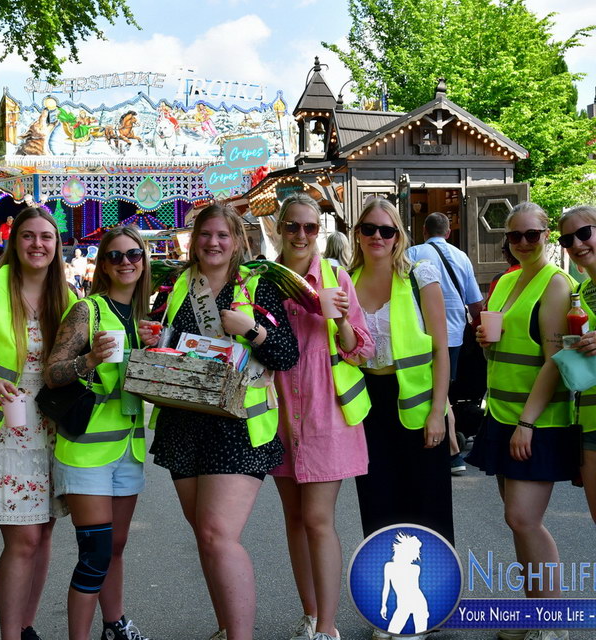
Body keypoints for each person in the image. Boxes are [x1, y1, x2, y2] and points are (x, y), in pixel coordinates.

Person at [141, 202, 298, 640]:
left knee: (217, 534)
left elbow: (287, 354)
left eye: (222, 235)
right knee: (206, 537)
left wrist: (251, 330)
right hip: (184, 421)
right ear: (195, 240)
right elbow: (173, 344)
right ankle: (228, 627)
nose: (213, 242)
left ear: (237, 242)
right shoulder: (177, 285)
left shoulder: (257, 285)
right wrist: (156, 335)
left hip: (237, 426)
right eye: (206, 234)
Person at [0, 206, 74, 640]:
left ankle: (26, 628)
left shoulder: (69, 298)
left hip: (54, 432)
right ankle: (11, 634)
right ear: (14, 241)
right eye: (28, 236)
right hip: (5, 433)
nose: (37, 244)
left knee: (43, 536)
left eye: (46, 236)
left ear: (57, 245)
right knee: (23, 541)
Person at [467, 202, 575, 640]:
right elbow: (505, 348)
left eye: (533, 234)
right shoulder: (508, 280)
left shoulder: (556, 283)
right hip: (503, 414)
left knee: (523, 518)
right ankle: (535, 613)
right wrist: (485, 342)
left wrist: (527, 423)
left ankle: (553, 620)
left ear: (547, 235)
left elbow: (554, 360)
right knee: (517, 522)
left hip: (537, 421)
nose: (524, 242)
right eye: (515, 235)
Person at [270, 193, 374, 640]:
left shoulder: (336, 278)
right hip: (276, 414)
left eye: (310, 227)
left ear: (319, 231)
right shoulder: (261, 281)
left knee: (316, 519)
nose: (301, 235)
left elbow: (362, 350)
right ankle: (310, 616)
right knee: (294, 521)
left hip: (324, 415)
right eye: (292, 226)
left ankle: (328, 628)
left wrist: (342, 321)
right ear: (279, 228)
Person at [350, 198, 452, 640]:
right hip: (366, 405)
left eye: (386, 230)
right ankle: (387, 611)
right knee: (377, 503)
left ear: (398, 235)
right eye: (369, 228)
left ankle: (433, 605)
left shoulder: (419, 276)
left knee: (426, 503)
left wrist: (438, 412)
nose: (378, 237)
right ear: (357, 233)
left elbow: (442, 350)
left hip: (417, 402)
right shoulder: (345, 279)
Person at [44, 226, 152, 640]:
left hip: (128, 449)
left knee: (116, 547)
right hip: (85, 452)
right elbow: (53, 373)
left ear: (143, 261)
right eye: (115, 256)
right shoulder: (87, 310)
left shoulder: (141, 318)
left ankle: (115, 625)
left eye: (134, 255)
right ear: (102, 265)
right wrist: (89, 359)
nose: (126, 262)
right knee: (95, 553)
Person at [407, 212, 483, 475]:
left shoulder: (413, 253)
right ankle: (446, 450)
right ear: (448, 233)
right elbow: (475, 302)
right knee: (443, 390)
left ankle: (451, 451)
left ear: (424, 232)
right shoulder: (462, 257)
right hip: (454, 335)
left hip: (422, 334)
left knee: (435, 392)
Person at [557, 205, 596, 527]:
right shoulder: (578, 295)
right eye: (567, 239)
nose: (577, 244)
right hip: (588, 421)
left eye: (584, 233)